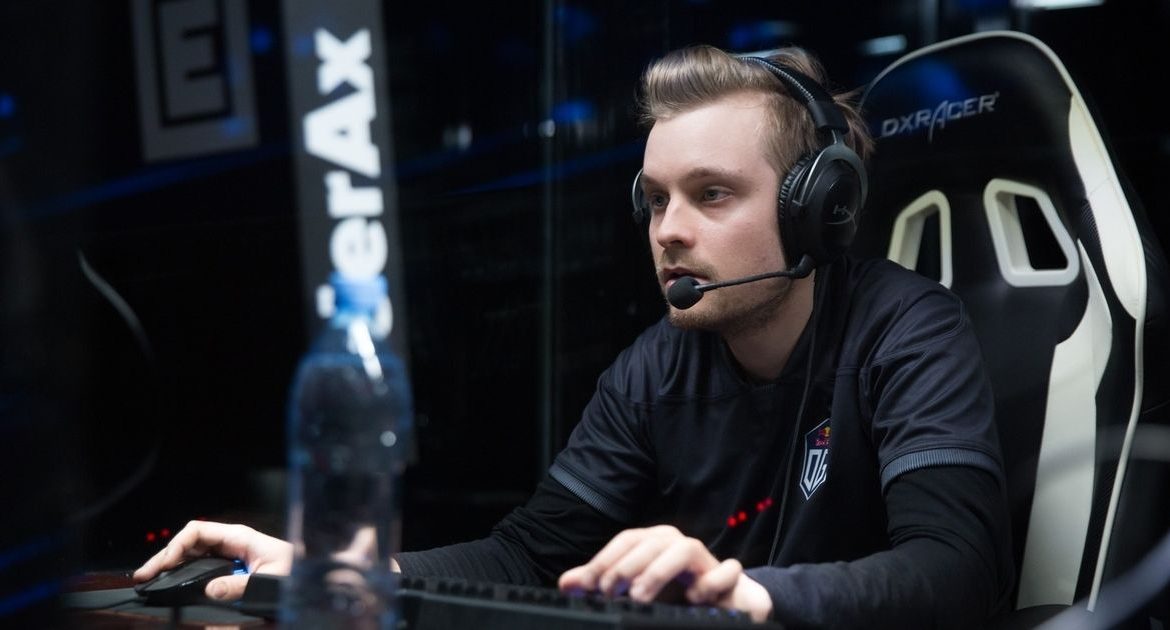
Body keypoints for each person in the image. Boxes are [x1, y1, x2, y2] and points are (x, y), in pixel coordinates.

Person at [134, 44, 1014, 628]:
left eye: (711, 194)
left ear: (817, 209)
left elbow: (958, 573)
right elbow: (526, 554)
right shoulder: (655, 368)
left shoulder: (909, 331)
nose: (668, 230)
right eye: (655, 200)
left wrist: (749, 594)